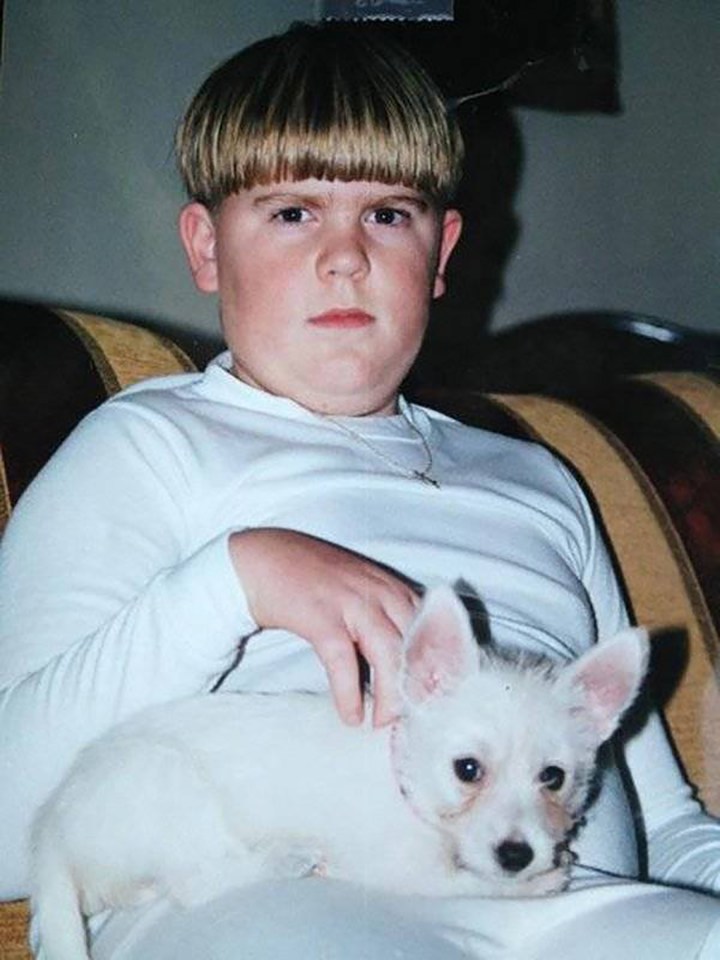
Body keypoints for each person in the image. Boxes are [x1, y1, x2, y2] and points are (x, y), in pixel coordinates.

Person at [0, 21, 718, 960]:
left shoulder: (538, 477)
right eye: (293, 212)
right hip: (264, 899)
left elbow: (662, 820)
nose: (346, 256)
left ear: (444, 250)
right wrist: (233, 582)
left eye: (388, 213)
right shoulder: (148, 444)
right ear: (207, 246)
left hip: (567, 901)